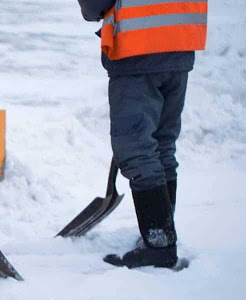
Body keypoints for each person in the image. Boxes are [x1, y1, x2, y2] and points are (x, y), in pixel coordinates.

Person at [77, 0, 208, 268]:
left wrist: (93, 11)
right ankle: (160, 235)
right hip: (181, 39)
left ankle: (159, 245)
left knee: (136, 149)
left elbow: (94, 4)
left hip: (139, 46)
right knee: (161, 145)